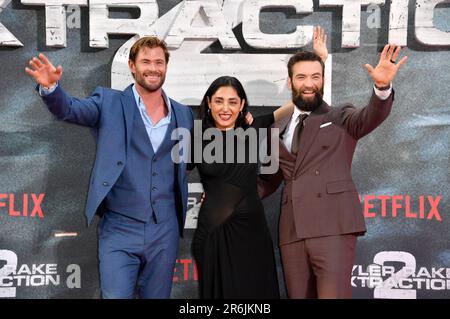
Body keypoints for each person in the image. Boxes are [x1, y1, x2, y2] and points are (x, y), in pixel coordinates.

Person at [25, 37, 194, 299]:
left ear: (166, 67)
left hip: (165, 230)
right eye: (145, 61)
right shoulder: (109, 102)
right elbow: (70, 109)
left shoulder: (184, 114)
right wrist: (52, 89)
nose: (153, 68)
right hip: (120, 228)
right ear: (132, 66)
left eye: (159, 62)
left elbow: (187, 162)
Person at [188, 27, 329, 299]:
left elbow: (300, 101)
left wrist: (320, 61)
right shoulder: (195, 139)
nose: (225, 107)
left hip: (251, 232)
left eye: (232, 101)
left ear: (242, 105)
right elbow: (171, 177)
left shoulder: (255, 131)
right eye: (218, 101)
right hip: (213, 234)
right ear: (209, 102)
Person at [258, 45, 407, 298]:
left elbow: (370, 116)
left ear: (323, 80)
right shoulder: (276, 131)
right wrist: (228, 197)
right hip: (292, 231)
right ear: (290, 81)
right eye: (301, 77)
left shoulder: (340, 116)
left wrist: (382, 90)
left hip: (332, 228)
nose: (309, 84)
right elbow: (269, 181)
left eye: (315, 77)